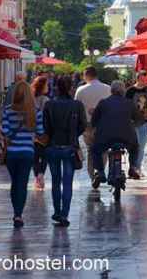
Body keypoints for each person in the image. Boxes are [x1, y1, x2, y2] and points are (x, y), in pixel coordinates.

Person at [44, 75, 87, 227]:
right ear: (70, 88)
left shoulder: (49, 105)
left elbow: (45, 127)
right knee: (67, 182)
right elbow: (84, 124)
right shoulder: (77, 105)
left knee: (55, 181)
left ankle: (57, 211)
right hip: (70, 147)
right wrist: (74, 135)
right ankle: (64, 214)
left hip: (53, 146)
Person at [1, 81, 44, 228]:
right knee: (23, 183)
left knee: (15, 183)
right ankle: (19, 215)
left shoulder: (7, 110)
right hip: (27, 152)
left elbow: (5, 132)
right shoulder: (36, 111)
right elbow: (40, 132)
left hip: (12, 153)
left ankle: (16, 212)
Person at [91, 80, 139, 187]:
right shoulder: (129, 103)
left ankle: (100, 172)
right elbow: (138, 118)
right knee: (135, 147)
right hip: (126, 136)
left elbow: (94, 119)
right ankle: (132, 168)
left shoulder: (103, 102)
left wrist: (95, 127)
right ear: (123, 91)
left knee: (95, 150)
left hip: (105, 137)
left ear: (111, 91)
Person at [74, 66, 111, 181]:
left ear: (86, 75)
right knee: (103, 149)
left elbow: (76, 108)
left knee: (91, 150)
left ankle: (92, 176)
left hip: (88, 124)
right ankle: (100, 171)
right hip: (104, 124)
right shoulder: (108, 88)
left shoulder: (81, 90)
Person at [125, 70, 147, 179]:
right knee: (135, 146)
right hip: (133, 122)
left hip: (145, 121)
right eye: (142, 79)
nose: (144, 81)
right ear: (137, 78)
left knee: (141, 147)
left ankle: (137, 168)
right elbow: (126, 106)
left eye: (145, 79)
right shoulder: (130, 91)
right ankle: (133, 168)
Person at [31, 75, 50, 190]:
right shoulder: (46, 100)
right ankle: (41, 174)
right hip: (43, 131)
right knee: (44, 156)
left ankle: (37, 176)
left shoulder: (31, 98)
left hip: (32, 131)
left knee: (35, 157)